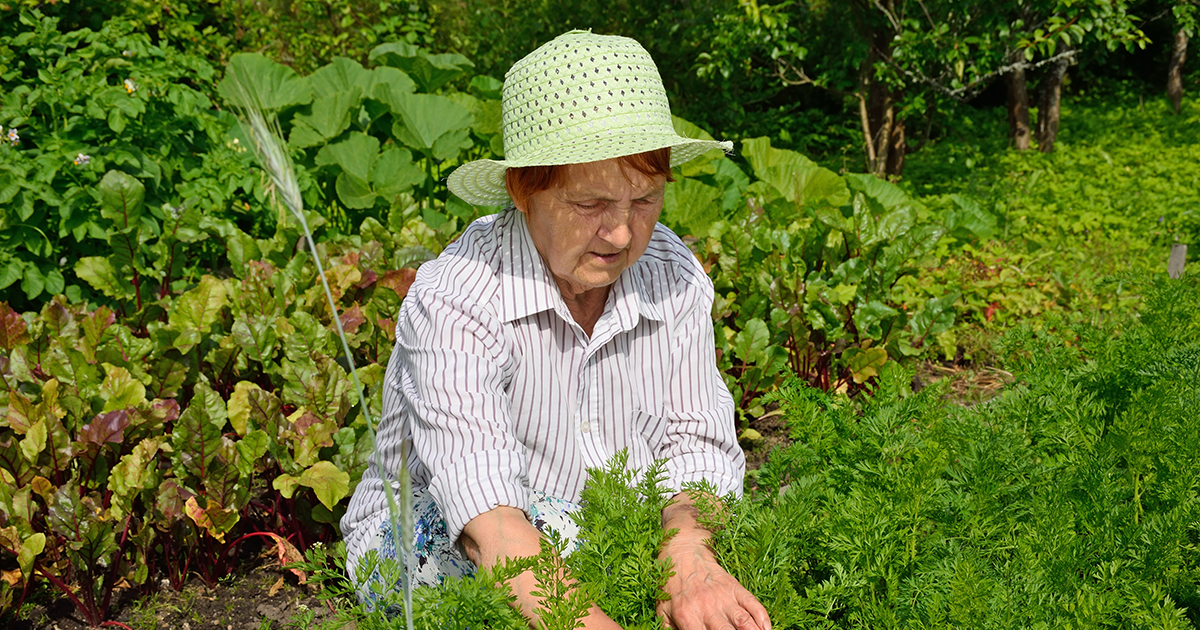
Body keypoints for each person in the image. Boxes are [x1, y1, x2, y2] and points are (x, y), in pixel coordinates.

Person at [342, 30, 771, 630]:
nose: (622, 234)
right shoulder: (458, 298)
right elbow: (487, 524)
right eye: (590, 205)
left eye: (644, 200)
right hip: (446, 533)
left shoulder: (673, 276)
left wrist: (686, 554)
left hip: (604, 524)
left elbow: (697, 445)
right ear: (523, 190)